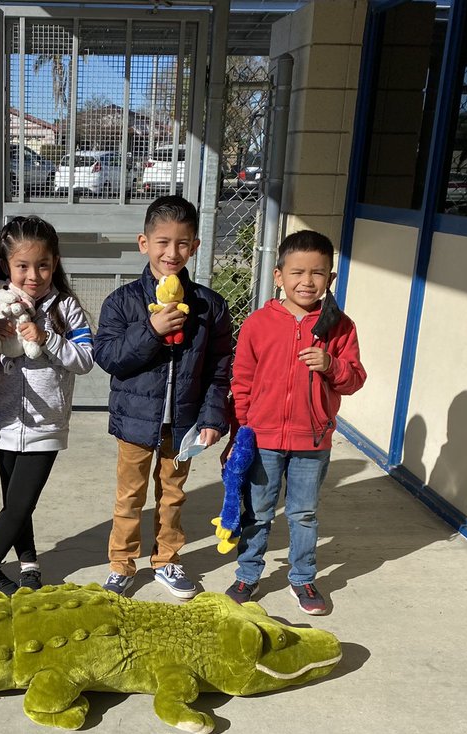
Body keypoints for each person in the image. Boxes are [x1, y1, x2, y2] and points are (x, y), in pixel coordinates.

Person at [93, 195, 233, 599]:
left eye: (183, 243)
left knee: (172, 494)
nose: (173, 252)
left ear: (196, 247)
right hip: (136, 420)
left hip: (184, 423)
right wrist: (151, 330)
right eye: (163, 242)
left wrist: (211, 418)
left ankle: (167, 559)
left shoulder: (209, 306)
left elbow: (219, 366)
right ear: (144, 243)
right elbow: (109, 357)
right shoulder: (122, 302)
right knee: (130, 496)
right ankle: (122, 563)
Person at [225, 229, 366, 616]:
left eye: (318, 273)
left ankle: (302, 578)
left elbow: (355, 378)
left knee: (304, 513)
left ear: (330, 279)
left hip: (312, 439)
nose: (307, 281)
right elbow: (242, 381)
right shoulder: (258, 324)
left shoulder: (339, 326)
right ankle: (247, 574)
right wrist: (241, 432)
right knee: (259, 511)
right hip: (265, 437)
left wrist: (332, 365)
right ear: (278, 275)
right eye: (297, 272)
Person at [0, 215, 94, 594]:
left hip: (46, 423)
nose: (33, 275)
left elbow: (86, 359)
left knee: (21, 501)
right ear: (6, 264)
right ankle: (28, 561)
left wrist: (48, 338)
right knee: (15, 502)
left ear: (55, 262)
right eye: (22, 266)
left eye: (42, 265)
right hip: (3, 418)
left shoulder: (66, 307)